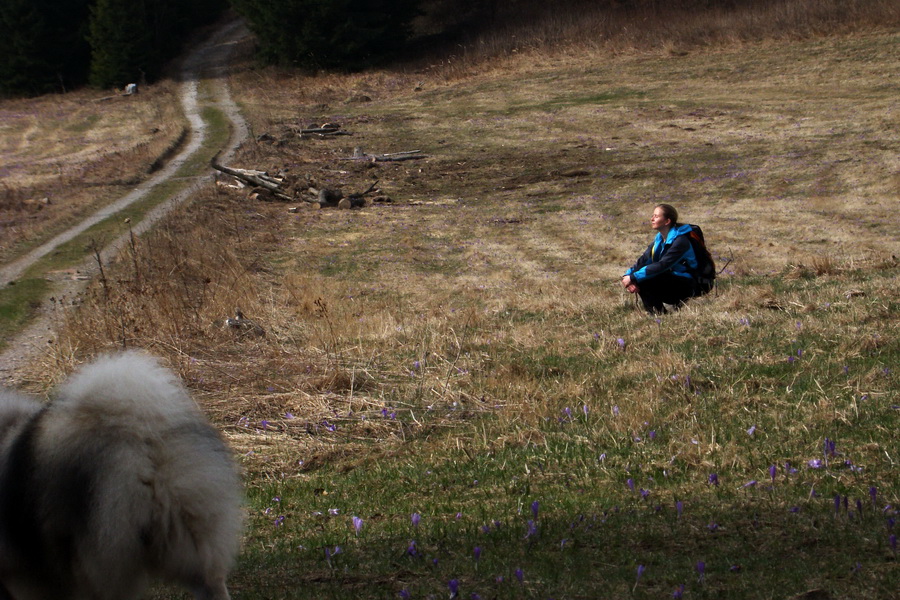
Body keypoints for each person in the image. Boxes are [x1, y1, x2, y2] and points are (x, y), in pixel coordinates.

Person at [621, 204, 699, 314]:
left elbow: (663, 265)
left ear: (667, 221)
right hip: (673, 278)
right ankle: (659, 313)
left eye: (656, 216)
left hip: (689, 284)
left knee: (643, 278)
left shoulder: (681, 242)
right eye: (652, 216)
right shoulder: (660, 239)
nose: (652, 219)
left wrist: (634, 277)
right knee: (642, 276)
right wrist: (628, 276)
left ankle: (659, 315)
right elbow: (644, 260)